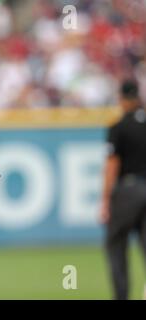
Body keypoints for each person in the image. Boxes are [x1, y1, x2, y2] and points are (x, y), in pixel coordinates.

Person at [100, 79, 146, 300]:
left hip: (128, 190)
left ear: (122, 98)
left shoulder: (118, 126)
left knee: (116, 245)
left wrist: (105, 200)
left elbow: (112, 165)